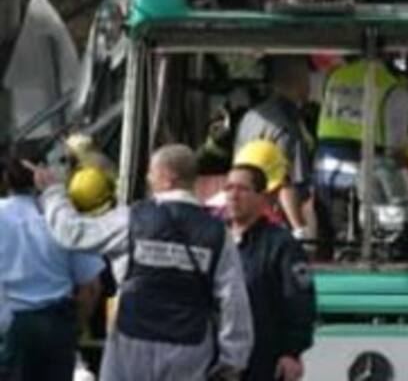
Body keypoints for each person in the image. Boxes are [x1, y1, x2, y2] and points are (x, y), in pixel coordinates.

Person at [33, 143, 254, 381]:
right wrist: (232, 360)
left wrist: (54, 192)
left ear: (167, 178)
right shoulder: (218, 233)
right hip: (189, 348)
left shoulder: (132, 218)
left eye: (151, 173)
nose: (148, 179)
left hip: (131, 343)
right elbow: (234, 300)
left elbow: (72, 233)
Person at [0, 146, 104, 381]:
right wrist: (73, 329)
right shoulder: (64, 219)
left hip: (12, 328)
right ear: (44, 174)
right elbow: (91, 288)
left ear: (6, 178)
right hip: (58, 326)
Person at [313, 57, 408, 255]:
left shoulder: (336, 75)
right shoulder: (394, 89)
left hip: (326, 170)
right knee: (361, 242)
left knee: (327, 238)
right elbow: (395, 146)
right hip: (363, 171)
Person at [224, 163, 316, 381]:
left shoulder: (282, 245)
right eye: (228, 188)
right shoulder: (215, 239)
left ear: (262, 198)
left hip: (263, 361)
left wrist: (291, 353)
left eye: (242, 189)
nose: (233, 196)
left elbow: (300, 301)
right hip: (218, 361)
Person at [234, 56, 315, 239]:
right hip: (276, 221)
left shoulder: (251, 117)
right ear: (299, 79)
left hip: (248, 215)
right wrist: (300, 230)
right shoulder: (286, 124)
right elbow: (287, 183)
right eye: (308, 76)